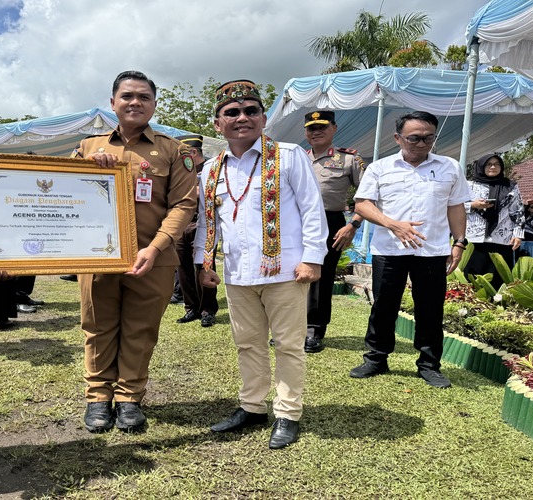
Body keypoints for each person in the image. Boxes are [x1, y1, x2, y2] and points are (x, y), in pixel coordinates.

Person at [194, 80, 327, 449]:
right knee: (248, 343)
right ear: (218, 124)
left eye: (251, 110)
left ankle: (287, 413)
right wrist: (204, 263)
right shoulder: (211, 169)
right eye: (232, 112)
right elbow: (207, 222)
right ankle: (252, 407)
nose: (242, 117)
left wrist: (312, 258)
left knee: (288, 345)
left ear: (263, 118)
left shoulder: (289, 155)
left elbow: (312, 210)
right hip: (238, 274)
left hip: (285, 271)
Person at [73, 70, 196, 433]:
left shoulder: (174, 151)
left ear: (154, 105)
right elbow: (63, 193)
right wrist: (85, 171)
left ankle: (129, 397)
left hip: (153, 258)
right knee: (97, 326)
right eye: (127, 96)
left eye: (144, 97)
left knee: (140, 329)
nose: (135, 102)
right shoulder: (88, 147)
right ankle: (98, 397)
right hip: (96, 256)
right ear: (113, 103)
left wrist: (155, 248)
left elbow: (183, 205)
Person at [350, 111, 471, 389]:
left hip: (432, 250)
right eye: (414, 138)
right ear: (398, 138)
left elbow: (455, 207)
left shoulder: (450, 167)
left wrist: (459, 242)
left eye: (428, 138)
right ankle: (376, 358)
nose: (421, 143)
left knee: (430, 309)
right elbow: (363, 205)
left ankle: (429, 365)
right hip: (389, 249)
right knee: (384, 306)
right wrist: (393, 225)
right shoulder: (380, 168)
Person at [303, 110, 366, 352]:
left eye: (322, 126)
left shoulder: (349, 159)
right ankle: (290, 327)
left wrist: (353, 224)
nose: (316, 132)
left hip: (330, 222)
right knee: (291, 274)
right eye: (311, 128)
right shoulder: (298, 158)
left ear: (334, 128)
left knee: (321, 276)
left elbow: (368, 195)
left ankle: (314, 330)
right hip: (297, 223)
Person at [174, 134, 219, 327]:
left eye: (182, 154)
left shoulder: (211, 169)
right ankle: (191, 307)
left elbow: (213, 195)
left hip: (203, 223)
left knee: (205, 266)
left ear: (193, 152)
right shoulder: (181, 171)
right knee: (182, 267)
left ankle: (208, 310)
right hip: (181, 224)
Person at [464, 153, 525, 290]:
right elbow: (455, 207)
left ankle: (497, 302)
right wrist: (473, 205)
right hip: (474, 240)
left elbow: (518, 211)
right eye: (489, 164)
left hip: (501, 239)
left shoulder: (510, 186)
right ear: (481, 166)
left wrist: (518, 235)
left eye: (497, 164)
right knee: (471, 278)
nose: (493, 167)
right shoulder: (468, 185)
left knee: (499, 280)